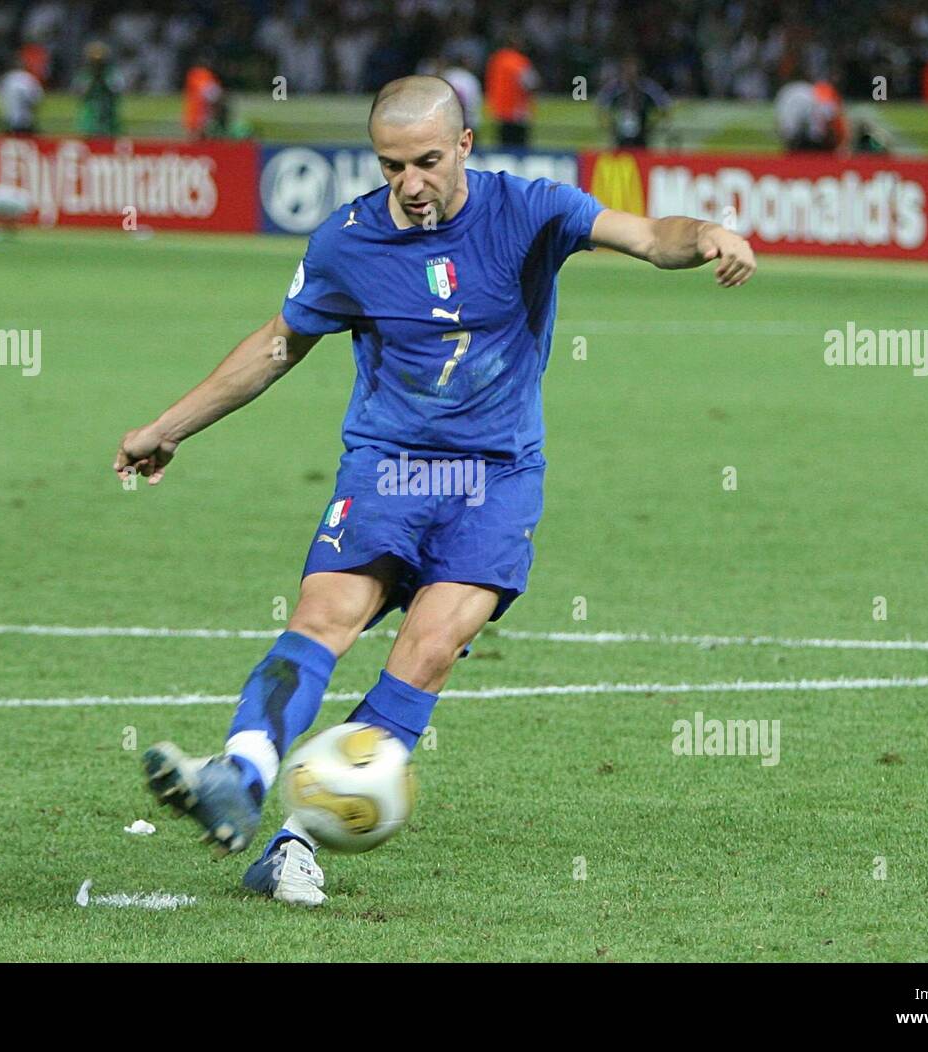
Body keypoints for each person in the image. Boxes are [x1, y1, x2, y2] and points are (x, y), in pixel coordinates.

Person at [114, 76, 754, 906]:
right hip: (388, 468)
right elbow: (277, 346)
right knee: (323, 618)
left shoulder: (530, 209)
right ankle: (238, 775)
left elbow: (646, 235)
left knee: (430, 649)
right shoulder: (348, 243)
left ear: (464, 145)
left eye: (424, 161)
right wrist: (171, 425)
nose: (409, 184)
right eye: (390, 167)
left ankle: (295, 840)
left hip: (495, 478)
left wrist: (705, 234)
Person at [596, 52, 672, 149]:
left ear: (638, 70)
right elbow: (600, 106)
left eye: (632, 69)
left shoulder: (647, 86)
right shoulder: (614, 87)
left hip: (641, 134)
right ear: (622, 70)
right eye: (627, 69)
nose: (630, 72)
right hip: (620, 134)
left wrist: (652, 126)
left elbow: (665, 104)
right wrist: (610, 126)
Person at [485, 28, 539, 147]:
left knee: (503, 146)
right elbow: (531, 83)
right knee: (518, 148)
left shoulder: (496, 59)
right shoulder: (520, 61)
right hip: (517, 111)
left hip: (499, 109)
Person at [75, 41, 123, 137]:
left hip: (109, 121)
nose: (97, 65)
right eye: (95, 61)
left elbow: (117, 90)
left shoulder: (111, 73)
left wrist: (103, 80)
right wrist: (93, 79)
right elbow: (80, 93)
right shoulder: (85, 75)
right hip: (89, 121)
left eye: (99, 62)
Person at [0, 51, 44, 135]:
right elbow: (36, 99)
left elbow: (1, 97)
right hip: (25, 122)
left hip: (8, 121)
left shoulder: (5, 79)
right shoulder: (28, 78)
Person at [182, 59, 226, 139]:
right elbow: (212, 94)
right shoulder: (199, 75)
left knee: (200, 140)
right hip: (199, 116)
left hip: (201, 116)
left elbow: (212, 94)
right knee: (197, 139)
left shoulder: (198, 74)